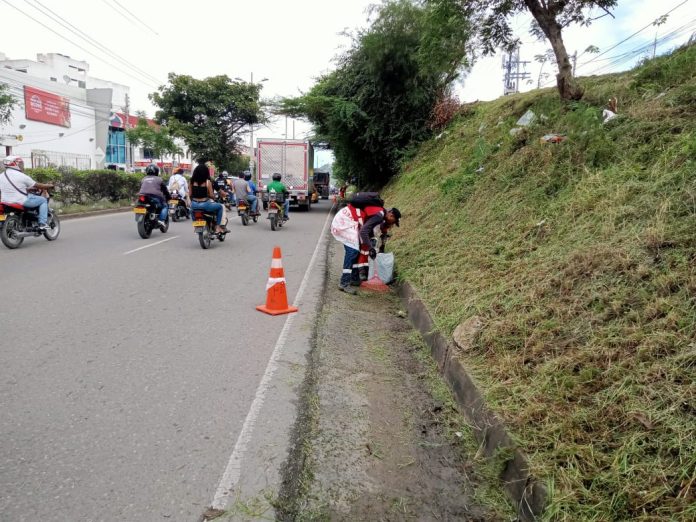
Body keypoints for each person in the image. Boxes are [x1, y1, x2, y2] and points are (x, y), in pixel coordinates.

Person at [330, 201, 400, 293]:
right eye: (393, 222)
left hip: (351, 221)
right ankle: (344, 283)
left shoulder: (380, 216)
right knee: (352, 252)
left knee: (356, 250)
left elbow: (368, 229)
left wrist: (372, 245)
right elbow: (363, 232)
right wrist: (371, 248)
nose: (392, 224)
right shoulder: (379, 216)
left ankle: (354, 279)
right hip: (346, 219)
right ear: (391, 215)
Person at [0, 155, 55, 230]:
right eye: (20, 164)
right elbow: (38, 185)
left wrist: (28, 189)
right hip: (20, 201)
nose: (22, 166)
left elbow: (13, 188)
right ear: (14, 164)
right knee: (43, 200)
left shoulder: (1, 176)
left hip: (5, 202)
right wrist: (49, 186)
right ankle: (42, 223)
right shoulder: (21, 176)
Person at [189, 163, 226, 234]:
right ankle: (218, 227)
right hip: (205, 205)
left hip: (194, 204)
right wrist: (213, 197)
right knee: (220, 207)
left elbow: (190, 194)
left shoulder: (191, 181)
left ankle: (196, 226)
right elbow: (212, 195)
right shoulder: (207, 182)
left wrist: (193, 202)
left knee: (192, 211)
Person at [138, 164, 171, 230]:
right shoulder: (159, 179)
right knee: (165, 206)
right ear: (156, 171)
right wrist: (168, 197)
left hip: (142, 196)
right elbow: (165, 190)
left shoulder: (143, 179)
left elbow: (142, 187)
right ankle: (161, 220)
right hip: (155, 197)